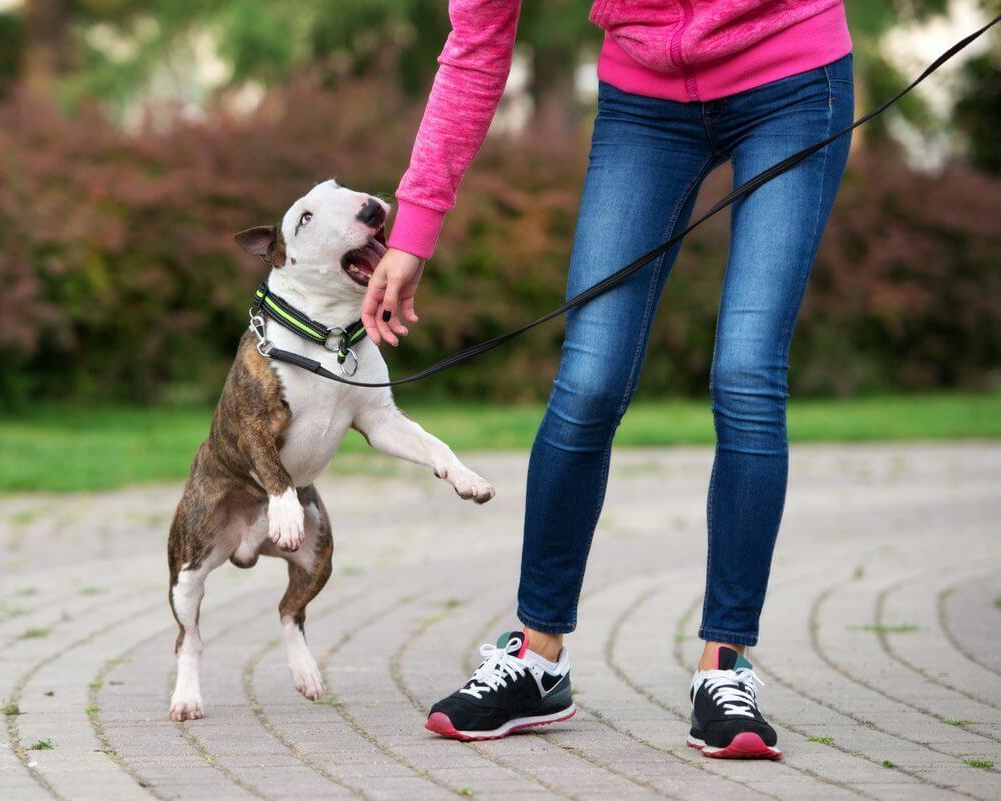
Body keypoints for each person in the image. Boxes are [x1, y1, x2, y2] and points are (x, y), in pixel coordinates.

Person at [360, 1, 854, 756]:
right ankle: (536, 658)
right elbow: (475, 47)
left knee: (747, 369)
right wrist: (415, 228)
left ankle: (726, 664)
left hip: (789, 73)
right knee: (589, 379)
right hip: (647, 99)